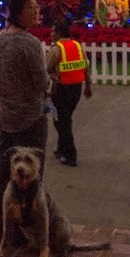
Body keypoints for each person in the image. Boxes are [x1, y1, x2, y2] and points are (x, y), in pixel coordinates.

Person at [0, 0, 50, 240]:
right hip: (30, 120)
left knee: (5, 176)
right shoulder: (30, 43)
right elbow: (41, 83)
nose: (37, 12)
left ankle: (5, 227)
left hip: (5, 119)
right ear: (19, 12)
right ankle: (27, 230)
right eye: (32, 7)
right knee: (31, 178)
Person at [47, 18, 92, 167]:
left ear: (58, 33)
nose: (51, 33)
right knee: (64, 119)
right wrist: (88, 86)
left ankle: (70, 154)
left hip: (61, 89)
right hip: (76, 89)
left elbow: (46, 68)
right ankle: (61, 149)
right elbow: (85, 67)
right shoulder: (77, 46)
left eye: (53, 31)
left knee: (62, 122)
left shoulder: (56, 49)